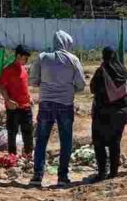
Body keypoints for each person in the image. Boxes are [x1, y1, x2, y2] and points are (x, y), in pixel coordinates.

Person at [29, 31, 86, 188]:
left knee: (41, 140)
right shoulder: (73, 59)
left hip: (46, 103)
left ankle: (37, 175)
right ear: (67, 43)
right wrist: (68, 89)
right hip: (65, 104)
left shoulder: (42, 58)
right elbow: (81, 85)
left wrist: (46, 84)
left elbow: (33, 81)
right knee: (66, 141)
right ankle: (62, 176)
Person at [90, 47, 127, 181]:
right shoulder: (123, 70)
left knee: (99, 142)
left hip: (103, 112)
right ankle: (113, 172)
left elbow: (93, 88)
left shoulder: (102, 71)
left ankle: (102, 173)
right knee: (115, 142)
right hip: (121, 112)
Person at [0, 45, 34, 159]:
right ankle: (12, 156)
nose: (26, 60)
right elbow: (1, 87)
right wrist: (7, 100)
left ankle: (28, 154)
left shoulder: (24, 69)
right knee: (12, 132)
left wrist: (29, 97)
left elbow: (24, 87)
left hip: (26, 106)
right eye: (25, 58)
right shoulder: (8, 70)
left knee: (28, 132)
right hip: (14, 107)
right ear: (18, 56)